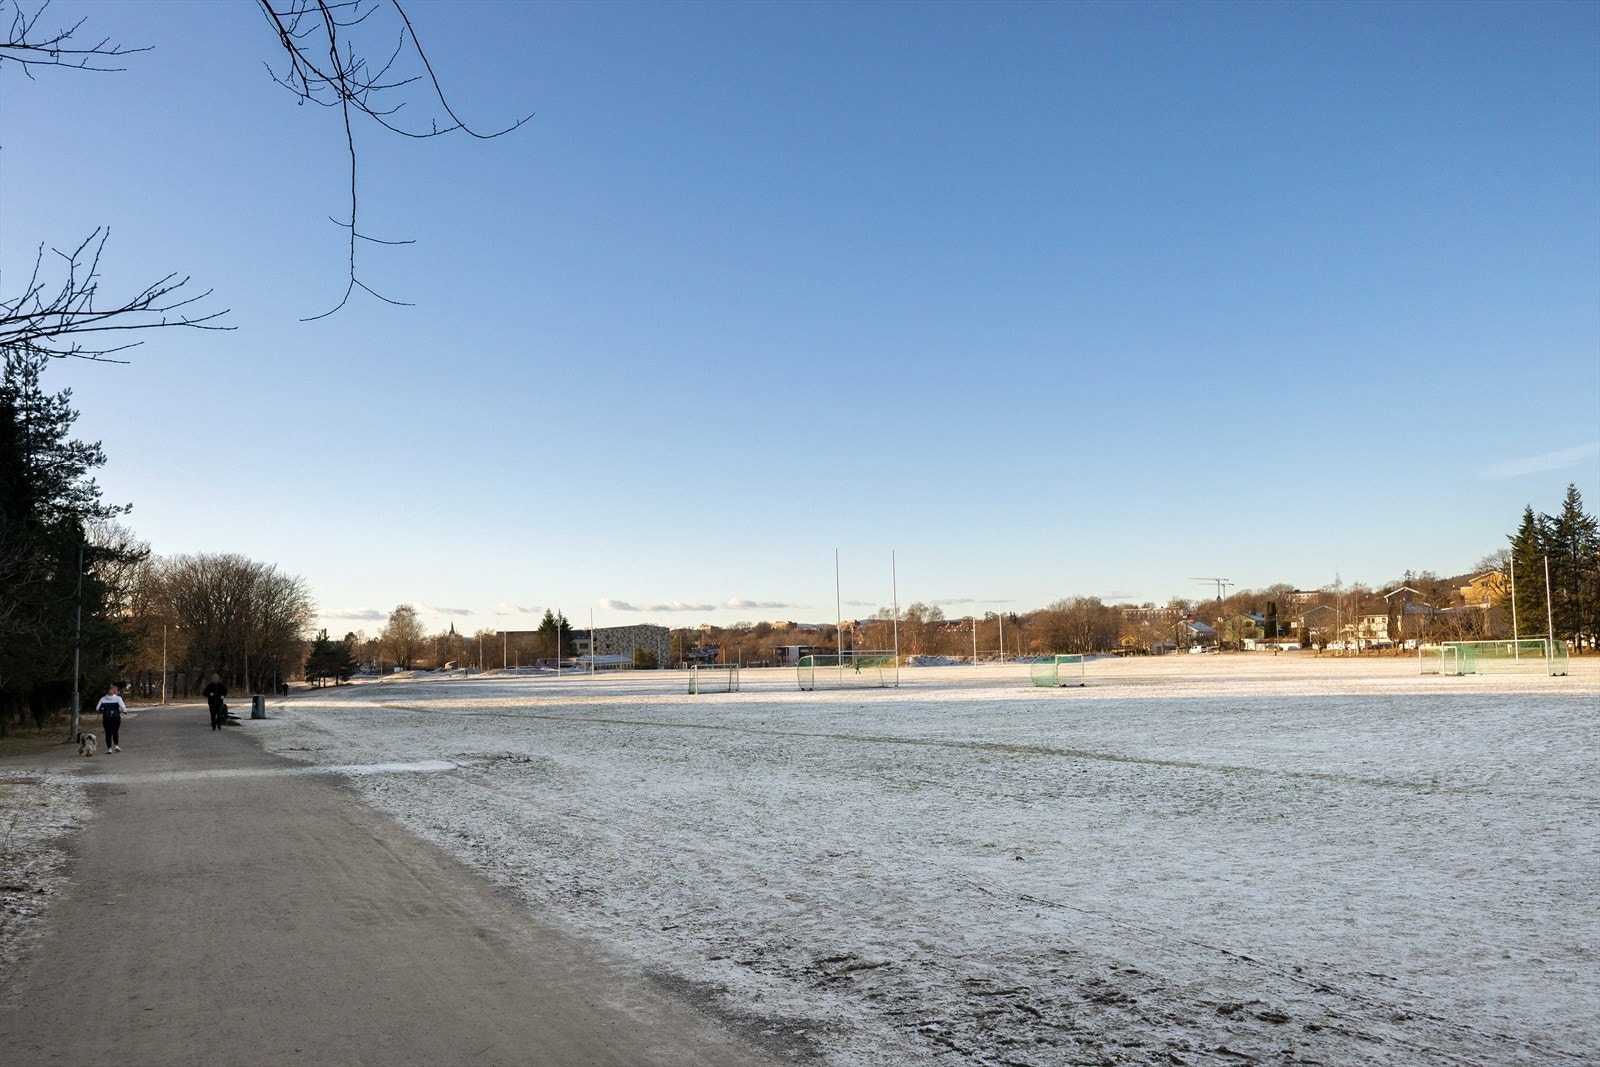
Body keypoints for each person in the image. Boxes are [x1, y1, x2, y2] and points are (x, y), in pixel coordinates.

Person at [96, 685, 127, 752]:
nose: (112, 691)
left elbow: (97, 708)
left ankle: (109, 748)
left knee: (108, 733)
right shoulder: (118, 698)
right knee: (115, 732)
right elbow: (122, 707)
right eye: (111, 690)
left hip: (106, 717)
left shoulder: (103, 699)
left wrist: (103, 709)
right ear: (109, 691)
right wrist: (124, 711)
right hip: (116, 717)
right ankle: (116, 745)